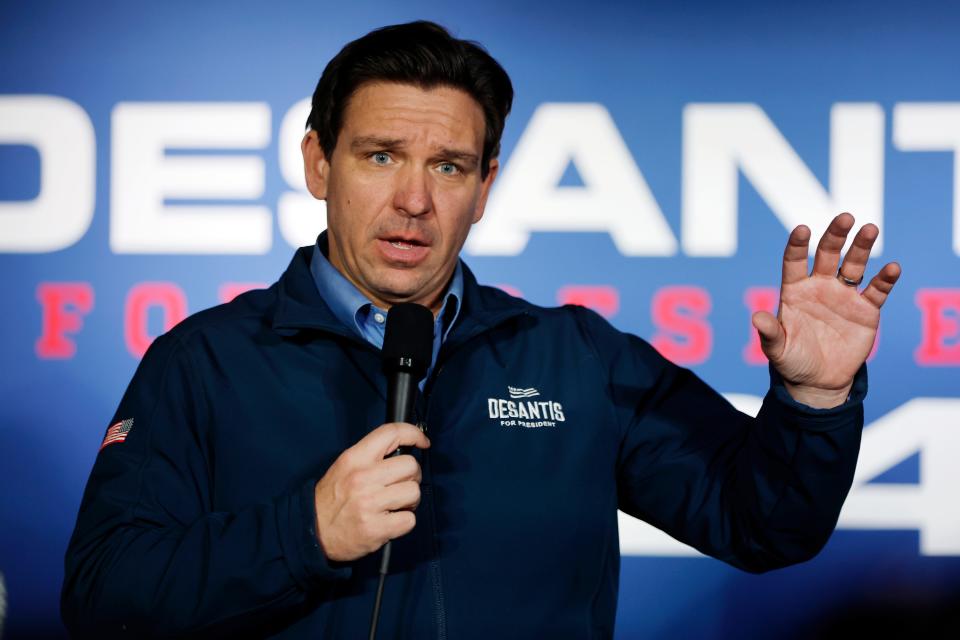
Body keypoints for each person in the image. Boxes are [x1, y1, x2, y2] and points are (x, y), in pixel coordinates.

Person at [61, 20, 901, 639]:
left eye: (449, 166)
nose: (415, 200)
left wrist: (813, 401)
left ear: (486, 183)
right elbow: (105, 598)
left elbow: (763, 524)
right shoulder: (204, 361)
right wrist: (304, 533)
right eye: (381, 156)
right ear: (319, 163)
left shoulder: (574, 358)